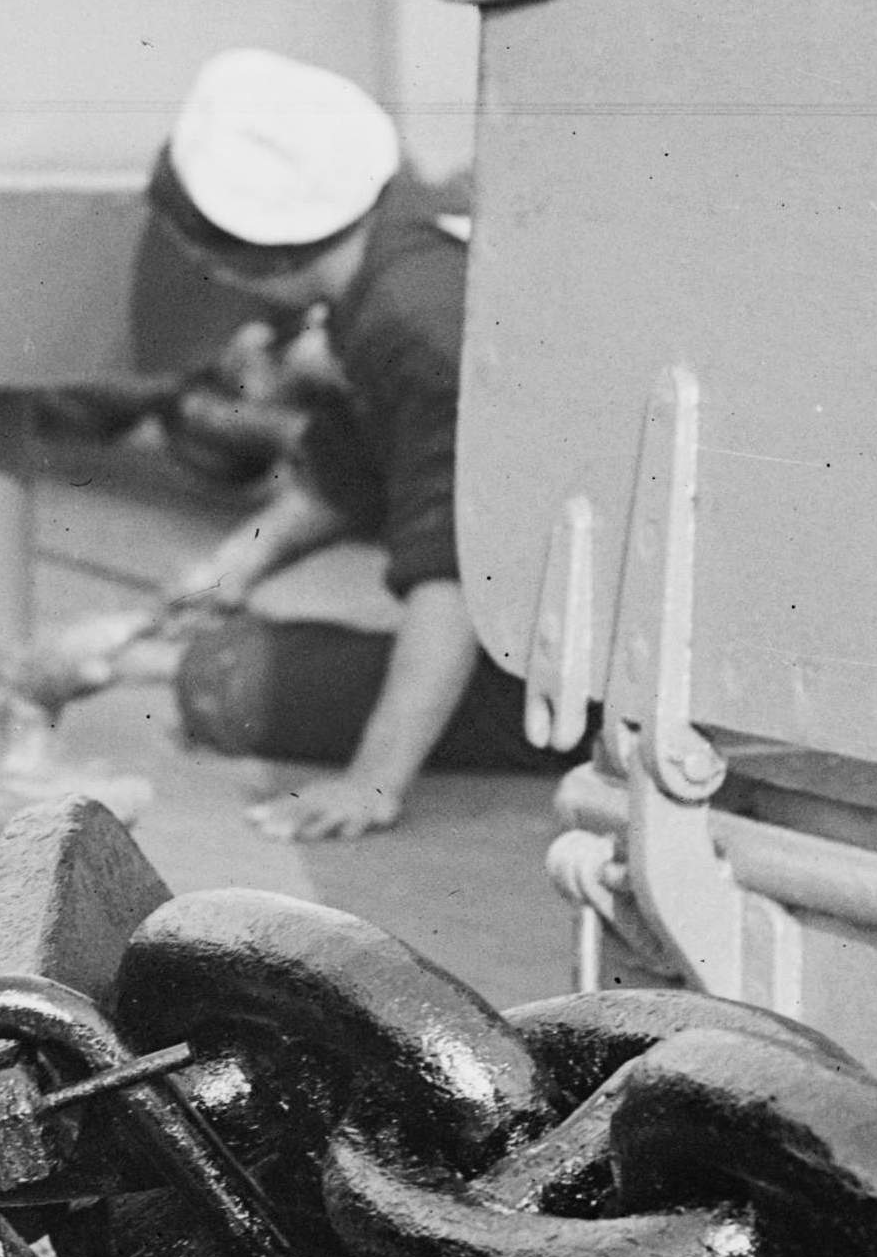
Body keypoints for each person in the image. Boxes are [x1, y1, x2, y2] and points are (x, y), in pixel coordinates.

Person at [113, 47, 550, 839]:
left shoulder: (412, 325)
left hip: (577, 680)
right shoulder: (403, 250)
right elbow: (352, 460)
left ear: (244, 254)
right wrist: (241, 562)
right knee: (240, 663)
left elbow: (453, 572)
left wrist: (371, 780)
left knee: (231, 685)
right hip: (545, 621)